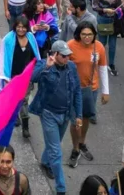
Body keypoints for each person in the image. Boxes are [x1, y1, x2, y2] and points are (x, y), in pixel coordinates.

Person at [29, 40, 82, 194]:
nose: (67, 58)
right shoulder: (44, 64)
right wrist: (47, 66)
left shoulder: (72, 67)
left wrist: (78, 115)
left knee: (55, 143)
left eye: (68, 55)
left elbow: (77, 91)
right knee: (56, 151)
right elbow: (33, 77)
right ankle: (61, 188)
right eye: (64, 56)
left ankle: (45, 162)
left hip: (66, 114)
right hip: (48, 114)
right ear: (55, 54)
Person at [66, 22, 109, 167]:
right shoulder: (70, 46)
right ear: (78, 34)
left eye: (90, 34)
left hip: (91, 89)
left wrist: (106, 91)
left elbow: (102, 68)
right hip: (73, 90)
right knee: (74, 121)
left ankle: (82, 142)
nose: (87, 37)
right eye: (83, 34)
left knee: (85, 119)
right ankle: (75, 148)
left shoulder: (99, 47)